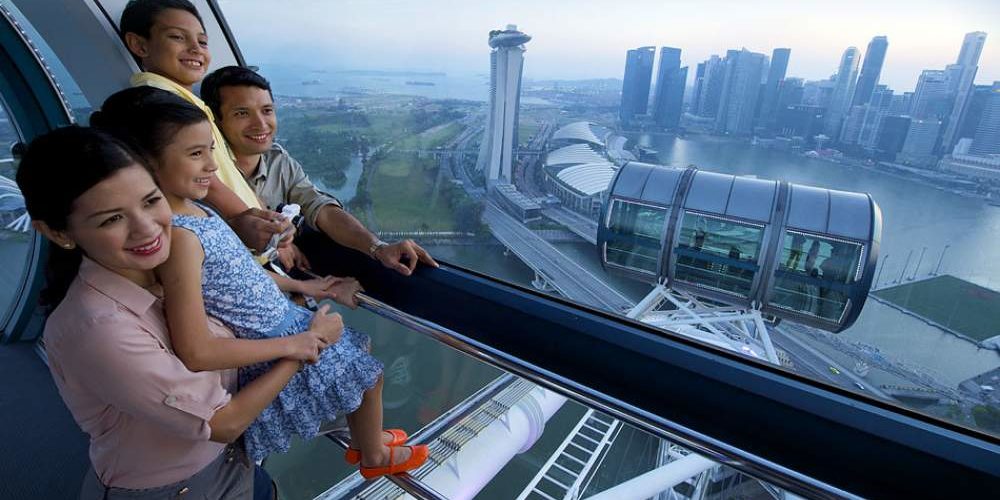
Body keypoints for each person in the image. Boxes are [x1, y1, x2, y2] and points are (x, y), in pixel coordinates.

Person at [93, 86, 428, 477]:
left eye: (211, 151)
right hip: (269, 343)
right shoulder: (181, 238)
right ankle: (373, 456)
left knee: (362, 361)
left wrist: (304, 287)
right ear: (144, 162)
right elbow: (195, 351)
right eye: (196, 154)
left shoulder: (197, 211)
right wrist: (303, 343)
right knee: (369, 376)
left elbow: (239, 276)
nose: (212, 166)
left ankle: (365, 440)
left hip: (282, 321)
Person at [16, 126, 342, 498]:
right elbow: (223, 422)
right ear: (58, 233)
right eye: (111, 219)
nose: (146, 229)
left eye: (151, 200)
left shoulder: (167, 267)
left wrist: (297, 286)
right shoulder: (98, 329)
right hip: (174, 487)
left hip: (233, 460)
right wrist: (305, 346)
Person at [200, 65, 438, 278]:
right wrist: (277, 246)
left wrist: (377, 247)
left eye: (267, 110)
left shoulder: (279, 161)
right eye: (242, 113)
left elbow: (320, 208)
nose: (261, 124)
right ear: (215, 122)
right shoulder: (203, 175)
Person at [120, 0, 281, 252]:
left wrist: (265, 218)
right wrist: (253, 226)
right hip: (243, 241)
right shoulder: (160, 104)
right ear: (140, 45)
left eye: (202, 42)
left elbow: (228, 173)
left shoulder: (186, 101)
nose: (195, 49)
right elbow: (209, 182)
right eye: (177, 37)